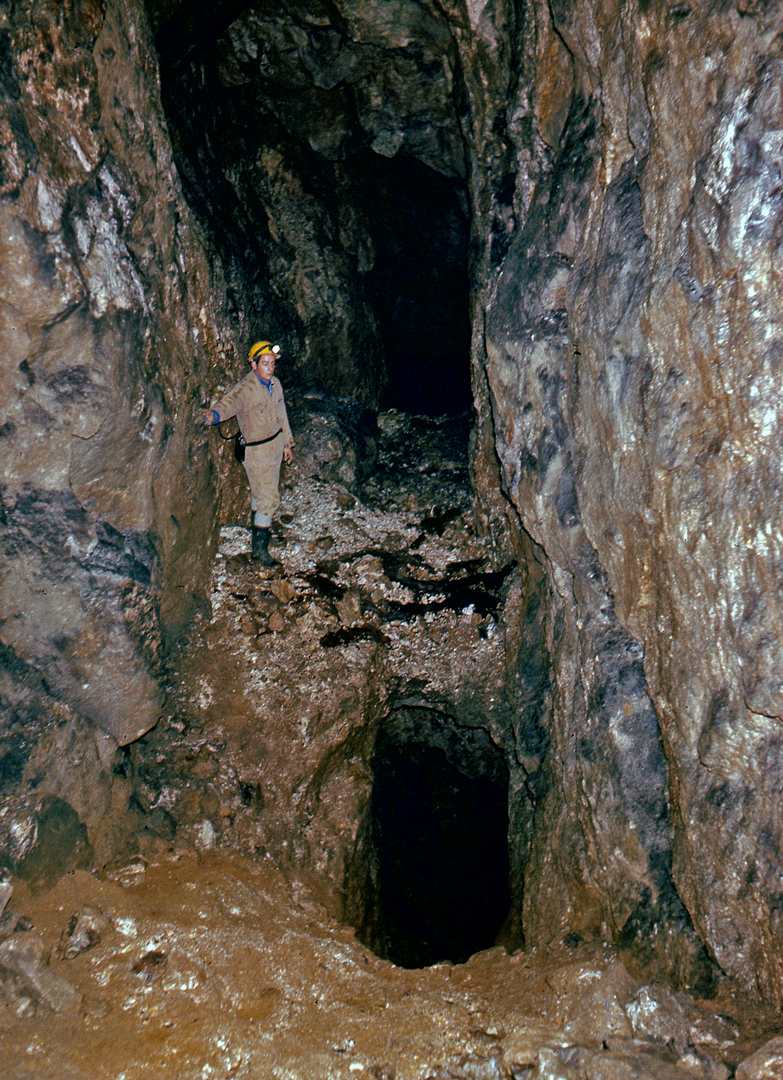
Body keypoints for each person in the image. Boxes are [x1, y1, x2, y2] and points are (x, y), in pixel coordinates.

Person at [203, 340, 294, 565]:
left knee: (260, 493)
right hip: (257, 451)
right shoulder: (246, 389)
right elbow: (228, 404)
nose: (270, 367)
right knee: (268, 498)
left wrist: (287, 444)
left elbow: (282, 414)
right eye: (265, 363)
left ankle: (259, 531)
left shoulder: (276, 384)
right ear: (253, 364)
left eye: (272, 363)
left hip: (274, 446)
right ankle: (260, 551)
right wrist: (212, 416)